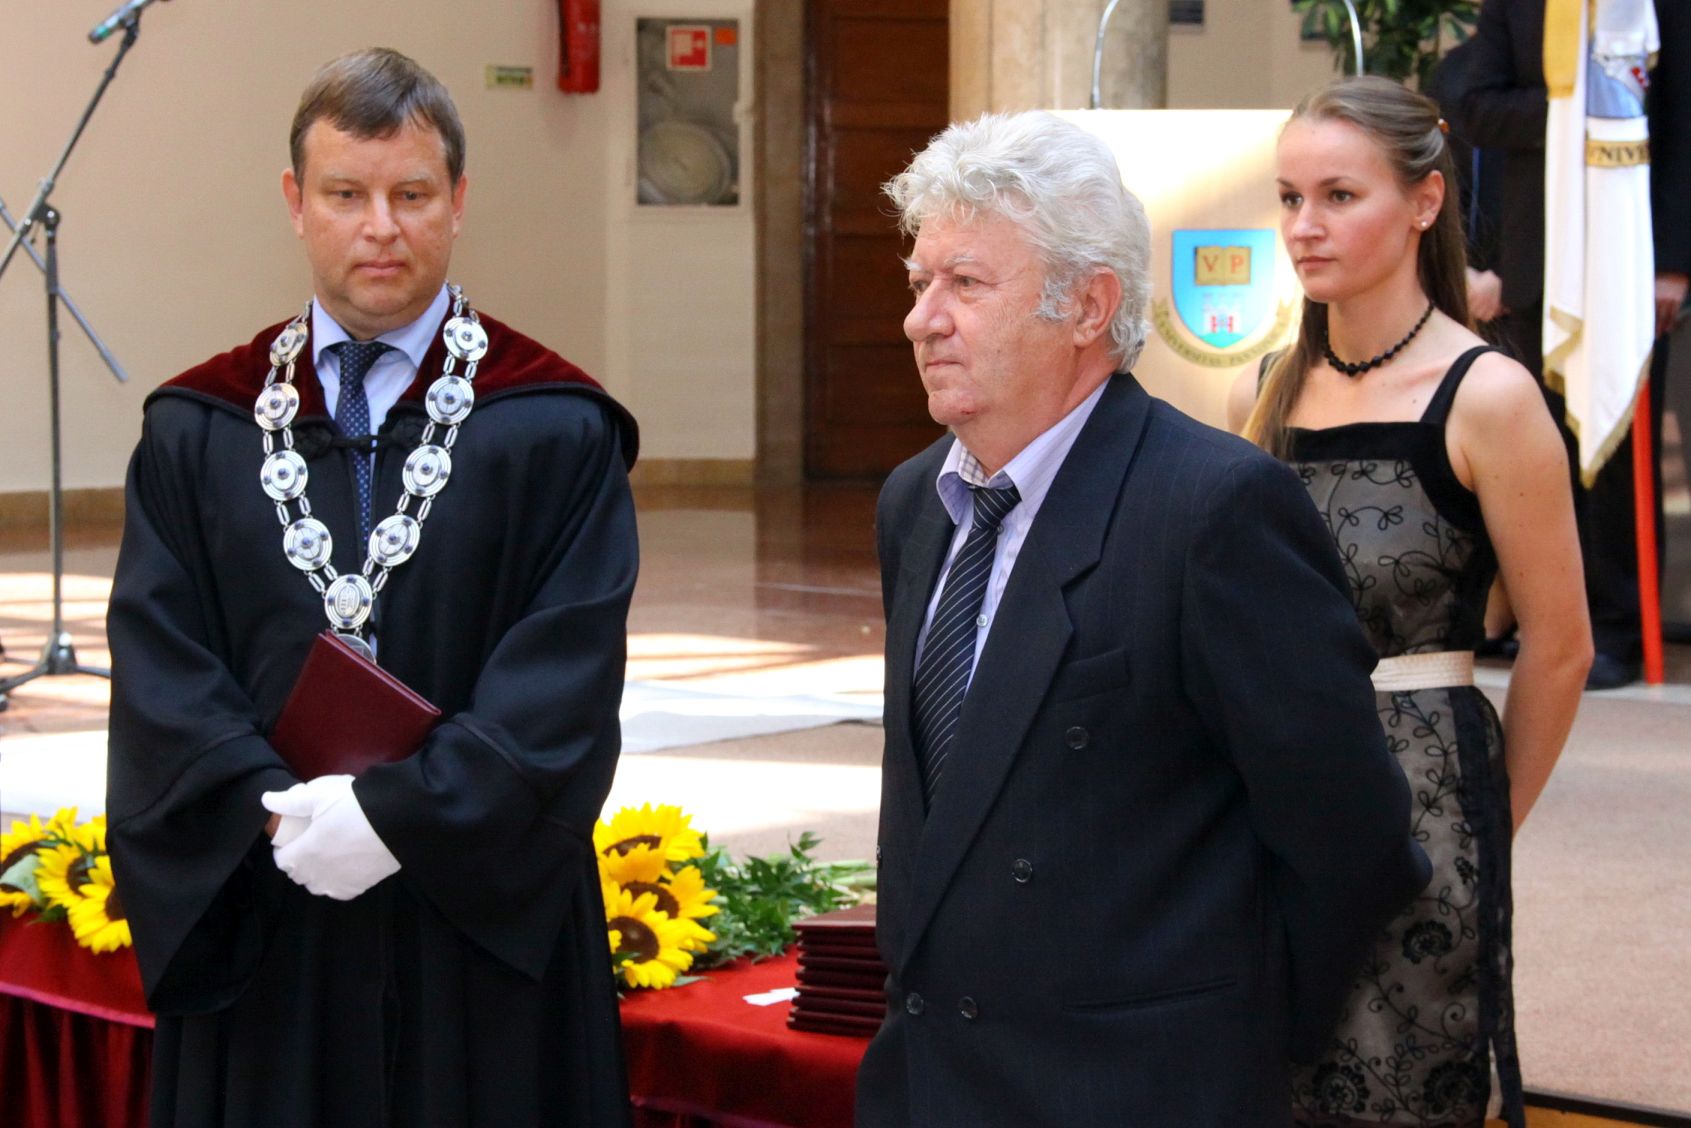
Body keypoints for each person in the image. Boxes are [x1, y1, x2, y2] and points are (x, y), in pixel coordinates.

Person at [858, 110, 1431, 1128]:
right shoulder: (915, 502)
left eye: (965, 284)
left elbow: (1350, 835)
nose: (920, 320)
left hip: (1134, 1086)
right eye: (917, 283)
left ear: (1088, 306)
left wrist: (1228, 1035)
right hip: (933, 1080)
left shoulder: (1211, 509)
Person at [105, 48, 638, 1126]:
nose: (380, 228)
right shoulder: (197, 430)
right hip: (272, 902)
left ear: (459, 201)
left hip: (476, 921)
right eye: (346, 195)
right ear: (296, 203)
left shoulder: (555, 429)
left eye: (412, 195)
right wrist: (273, 813)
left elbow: (565, 676)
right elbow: (162, 663)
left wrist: (401, 816)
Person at [1227, 76, 1593, 1127]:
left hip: (1419, 801)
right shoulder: (1260, 388)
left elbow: (1559, 646)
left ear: (1423, 202)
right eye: (1289, 198)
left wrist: (1487, 825)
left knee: (1396, 1090)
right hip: (1264, 799)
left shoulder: (1489, 396)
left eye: (1338, 196)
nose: (1303, 226)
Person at [1455, 0, 1691, 687]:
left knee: (1614, 456)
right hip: (1541, 262)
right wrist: (1577, 107)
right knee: (1541, 451)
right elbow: (1475, 107)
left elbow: (1680, 127)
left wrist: (1674, 263)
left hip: (1633, 259)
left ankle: (1616, 628)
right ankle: (1551, 624)